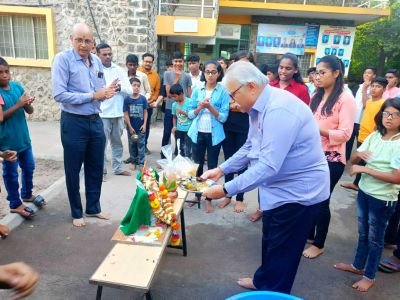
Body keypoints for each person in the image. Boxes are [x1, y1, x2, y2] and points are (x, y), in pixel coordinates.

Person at [201, 61, 329, 293]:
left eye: (233, 94)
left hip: (297, 193)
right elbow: (251, 146)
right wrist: (222, 170)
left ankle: (273, 292)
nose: (232, 101)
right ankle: (263, 283)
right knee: (271, 242)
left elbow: (269, 165)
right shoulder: (257, 109)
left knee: (283, 254)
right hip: (277, 189)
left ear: (251, 86)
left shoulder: (279, 110)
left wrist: (225, 189)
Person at [51, 23, 116, 227]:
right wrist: (93, 95)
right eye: (79, 39)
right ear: (71, 39)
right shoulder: (63, 60)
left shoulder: (96, 61)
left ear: (93, 43)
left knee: (96, 167)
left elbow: (98, 92)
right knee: (73, 168)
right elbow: (59, 94)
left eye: (87, 40)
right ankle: (76, 212)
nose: (83, 44)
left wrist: (106, 92)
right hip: (74, 122)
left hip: (95, 121)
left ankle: (93, 208)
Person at [334, 98, 400, 292]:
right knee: (363, 232)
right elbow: (353, 159)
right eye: (387, 113)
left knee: (375, 238)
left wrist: (366, 170)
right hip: (365, 191)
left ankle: (369, 276)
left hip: (383, 199)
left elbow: (397, 177)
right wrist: (358, 157)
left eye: (396, 115)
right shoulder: (375, 135)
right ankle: (357, 266)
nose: (389, 118)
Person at [303, 55, 356, 259]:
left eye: (323, 72)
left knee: (321, 200)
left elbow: (345, 134)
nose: (318, 76)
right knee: (308, 197)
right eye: (317, 72)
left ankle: (319, 243)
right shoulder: (317, 94)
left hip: (332, 158)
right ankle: (308, 234)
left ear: (336, 73)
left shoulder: (346, 99)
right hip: (312, 154)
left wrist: (318, 130)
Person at [188, 59, 229, 213]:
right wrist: (200, 107)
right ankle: (197, 195)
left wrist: (210, 107)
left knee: (212, 167)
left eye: (213, 72)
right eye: (207, 72)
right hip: (197, 132)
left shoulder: (223, 92)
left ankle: (209, 199)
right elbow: (191, 114)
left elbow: (224, 117)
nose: (210, 75)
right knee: (197, 165)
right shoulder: (198, 90)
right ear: (203, 73)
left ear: (218, 73)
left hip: (215, 135)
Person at [0, 57, 38, 219]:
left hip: (23, 140)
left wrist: (27, 103)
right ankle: (15, 203)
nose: (4, 75)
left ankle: (27, 194)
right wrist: (18, 105)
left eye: (6, 71)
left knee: (29, 167)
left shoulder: (16, 87)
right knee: (11, 175)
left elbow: (30, 111)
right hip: (7, 144)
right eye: (0, 73)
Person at [341, 77, 388, 191]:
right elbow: (365, 103)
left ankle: (361, 185)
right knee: (361, 161)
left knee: (367, 162)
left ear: (384, 89)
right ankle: (357, 184)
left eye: (378, 87)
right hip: (362, 134)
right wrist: (364, 88)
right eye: (373, 86)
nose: (374, 89)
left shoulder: (383, 103)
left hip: (371, 137)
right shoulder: (370, 101)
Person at [96, 43, 132, 178]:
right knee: (101, 145)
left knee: (117, 143)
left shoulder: (119, 70)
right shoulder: (95, 71)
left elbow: (129, 90)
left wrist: (118, 88)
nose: (108, 57)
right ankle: (101, 171)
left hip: (117, 113)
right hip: (102, 113)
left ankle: (118, 168)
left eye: (109, 54)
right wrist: (107, 89)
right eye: (104, 54)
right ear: (98, 55)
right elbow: (93, 92)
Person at [343, 66, 376, 164]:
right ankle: (345, 161)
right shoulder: (356, 87)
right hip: (352, 120)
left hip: (362, 121)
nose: (366, 75)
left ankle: (360, 163)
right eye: (365, 73)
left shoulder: (373, 89)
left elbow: (366, 105)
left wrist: (366, 88)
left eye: (369, 73)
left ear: (374, 76)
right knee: (347, 143)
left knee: (360, 144)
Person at [162, 51, 192, 158]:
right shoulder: (167, 74)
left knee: (180, 133)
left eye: (180, 61)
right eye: (176, 61)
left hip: (183, 109)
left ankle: (178, 153)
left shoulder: (187, 76)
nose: (178, 63)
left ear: (183, 62)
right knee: (167, 132)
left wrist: (189, 107)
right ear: (173, 62)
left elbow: (189, 94)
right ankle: (164, 156)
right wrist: (177, 78)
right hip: (170, 107)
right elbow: (169, 93)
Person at [125, 54, 152, 162]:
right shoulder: (123, 76)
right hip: (128, 109)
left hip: (141, 108)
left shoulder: (143, 76)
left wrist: (141, 100)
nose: (132, 67)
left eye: (134, 65)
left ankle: (140, 158)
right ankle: (132, 157)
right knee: (130, 135)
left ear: (137, 65)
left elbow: (148, 91)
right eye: (130, 65)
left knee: (141, 134)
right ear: (126, 65)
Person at [138, 53, 160, 154]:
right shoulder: (137, 72)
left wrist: (152, 100)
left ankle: (144, 146)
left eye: (150, 62)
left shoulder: (155, 75)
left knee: (145, 126)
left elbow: (156, 91)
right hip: (136, 104)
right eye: (146, 61)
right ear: (142, 61)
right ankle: (134, 150)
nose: (147, 63)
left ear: (152, 63)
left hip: (148, 105)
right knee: (135, 126)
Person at [123, 78, 148, 169]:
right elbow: (126, 114)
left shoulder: (143, 99)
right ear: (130, 86)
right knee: (132, 144)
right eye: (134, 85)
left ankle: (141, 163)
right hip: (131, 127)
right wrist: (129, 126)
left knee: (141, 145)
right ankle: (133, 161)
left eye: (138, 86)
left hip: (141, 127)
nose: (136, 87)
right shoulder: (127, 99)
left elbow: (145, 112)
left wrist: (144, 124)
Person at [170, 83, 193, 157]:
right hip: (179, 130)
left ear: (181, 94)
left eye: (175, 96)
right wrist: (174, 126)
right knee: (179, 148)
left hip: (188, 130)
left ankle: (187, 165)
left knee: (187, 149)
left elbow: (192, 116)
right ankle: (180, 163)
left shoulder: (190, 102)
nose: (173, 98)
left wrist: (183, 112)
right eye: (172, 96)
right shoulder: (174, 104)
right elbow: (174, 117)